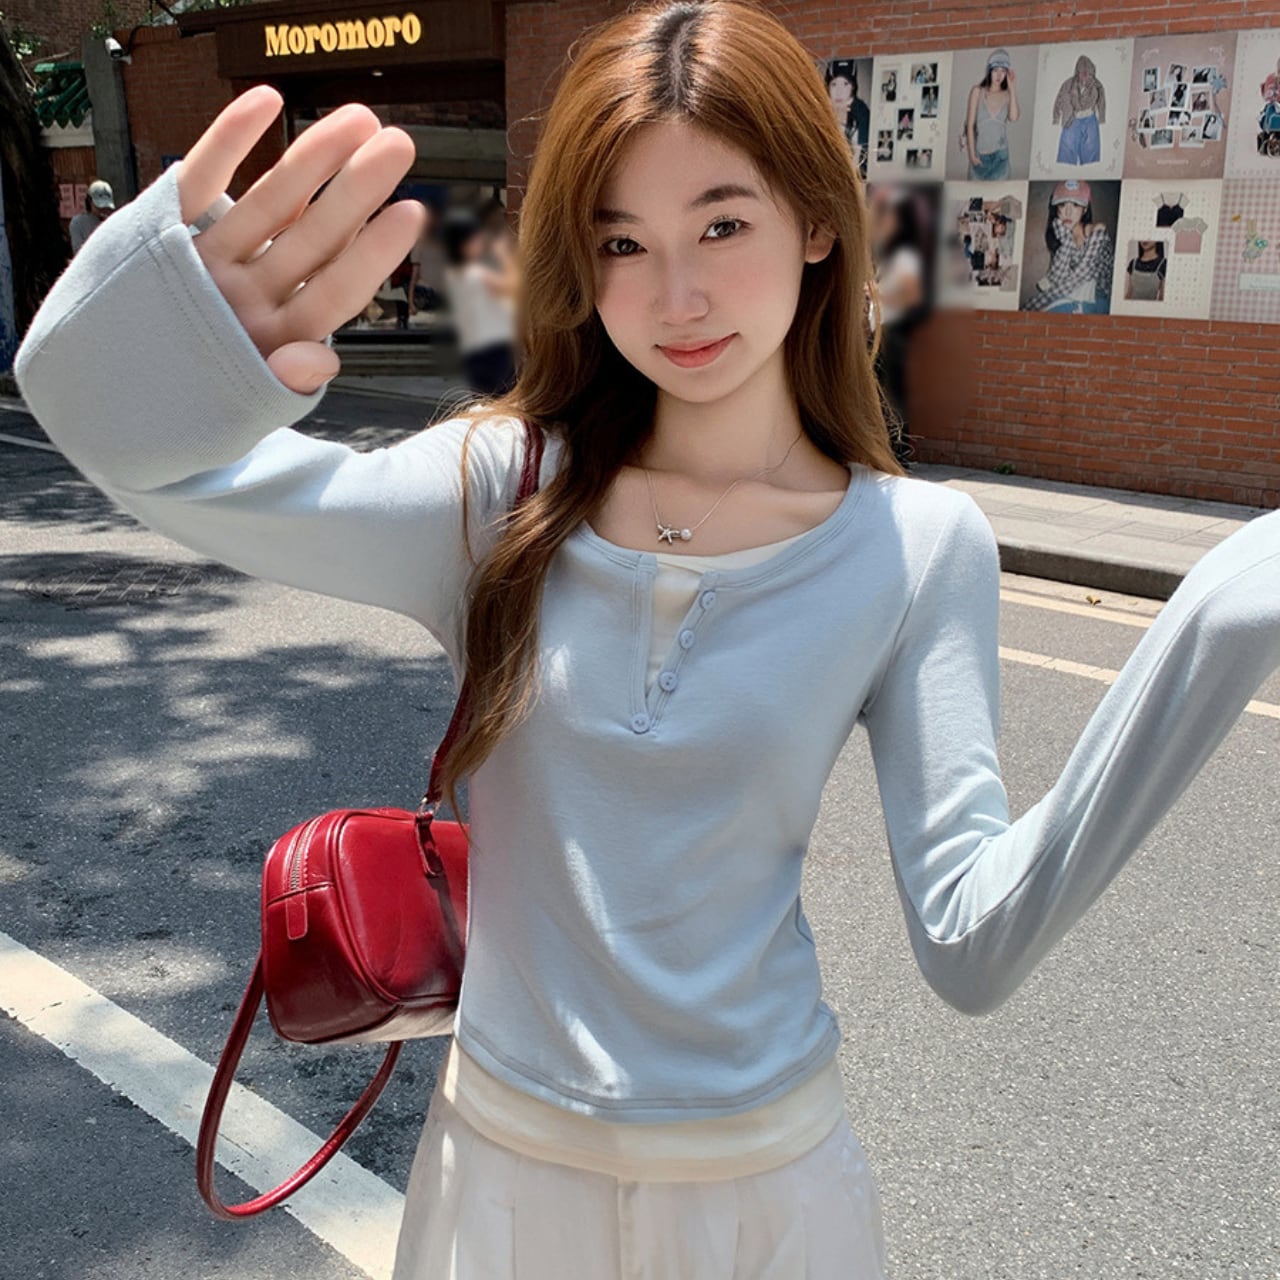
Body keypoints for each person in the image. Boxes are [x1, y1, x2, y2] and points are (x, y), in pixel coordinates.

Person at [11, 2, 1279, 1276]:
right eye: (622, 241)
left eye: (721, 224)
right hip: (500, 1180)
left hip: (767, 1195)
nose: (676, 295)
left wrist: (1217, 620)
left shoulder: (914, 546)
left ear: (817, 221)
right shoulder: (496, 490)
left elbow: (969, 940)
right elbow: (140, 459)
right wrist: (159, 323)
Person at [868, 184, 929, 468]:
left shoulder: (905, 256)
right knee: (883, 394)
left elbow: (910, 296)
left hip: (895, 332)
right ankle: (889, 452)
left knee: (891, 395)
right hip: (883, 332)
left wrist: (876, 293)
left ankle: (898, 454)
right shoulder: (888, 255)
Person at [440, 205, 518, 396]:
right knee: (500, 399)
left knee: (486, 398)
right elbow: (513, 286)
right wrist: (504, 254)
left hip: (479, 347)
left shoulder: (457, 273)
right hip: (493, 348)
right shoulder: (474, 273)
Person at [1024, 178, 1114, 313]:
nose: (1068, 212)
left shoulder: (1096, 232)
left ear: (1085, 209)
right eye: (1062, 204)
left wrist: (1037, 303)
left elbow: (1080, 276)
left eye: (1076, 205)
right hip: (1074, 293)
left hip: (1099, 298)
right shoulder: (1065, 237)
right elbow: (1057, 278)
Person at [964, 49, 1020, 180]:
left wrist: (1012, 88)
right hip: (980, 157)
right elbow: (970, 125)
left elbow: (1014, 117)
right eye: (995, 70)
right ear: (989, 71)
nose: (999, 75)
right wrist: (971, 154)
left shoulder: (1007, 95)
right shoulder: (977, 91)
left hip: (1001, 157)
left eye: (1003, 71)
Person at [1052, 53, 1106, 165]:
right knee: (1067, 150)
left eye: (1087, 73)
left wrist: (1102, 117)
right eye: (1082, 73)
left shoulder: (1097, 85)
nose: (1084, 76)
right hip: (1072, 119)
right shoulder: (1068, 84)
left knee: (1091, 151)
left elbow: (1102, 101)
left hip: (1090, 119)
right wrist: (1056, 117)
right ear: (1077, 72)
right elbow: (1059, 100)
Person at [825, 58, 871, 177]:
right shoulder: (819, 111)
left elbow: (863, 159)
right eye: (834, 84)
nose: (839, 91)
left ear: (852, 87)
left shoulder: (862, 112)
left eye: (845, 84)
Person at [68, 179, 114, 254]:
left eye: (106, 207)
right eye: (99, 207)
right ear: (89, 202)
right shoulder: (78, 223)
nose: (103, 210)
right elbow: (78, 251)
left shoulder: (112, 221)